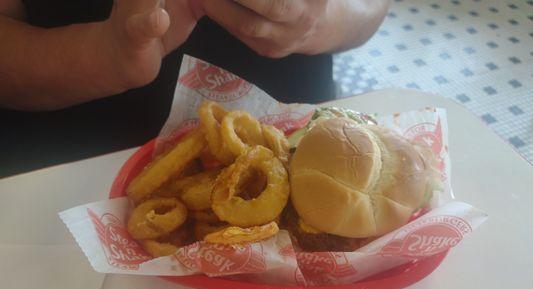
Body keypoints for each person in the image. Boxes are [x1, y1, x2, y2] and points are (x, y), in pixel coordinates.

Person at [0, 0, 390, 177]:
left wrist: (320, 20)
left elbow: (370, 7)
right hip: (64, 184)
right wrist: (102, 57)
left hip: (305, 160)